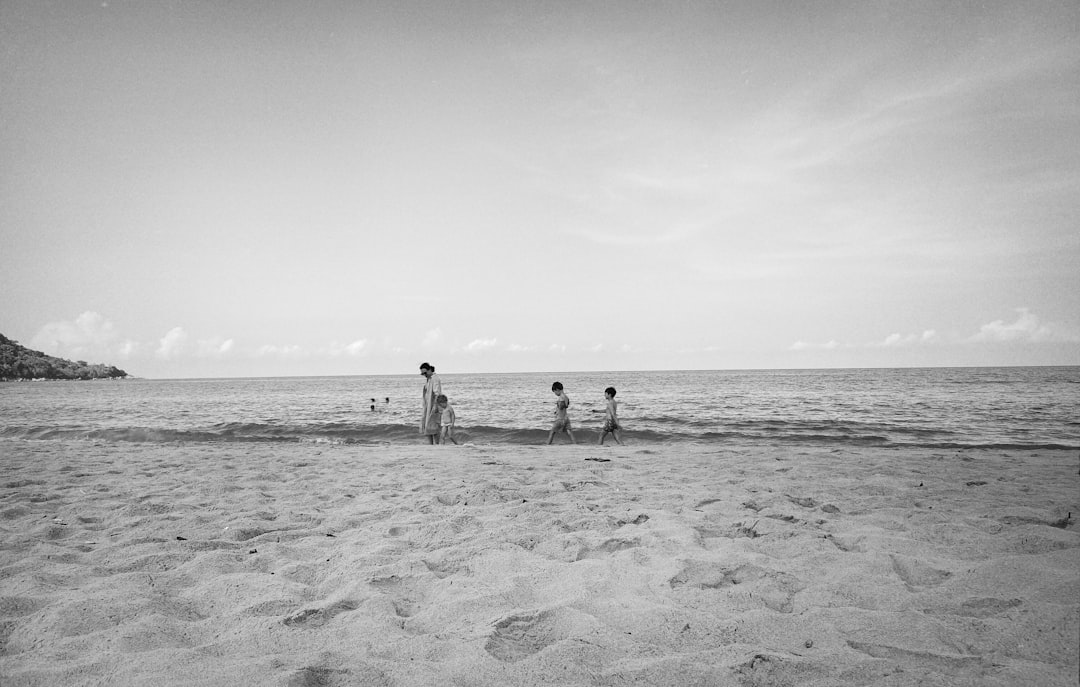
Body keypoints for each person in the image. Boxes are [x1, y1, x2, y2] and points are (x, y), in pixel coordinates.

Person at [419, 363, 442, 444]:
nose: (424, 375)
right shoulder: (429, 379)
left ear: (429, 370)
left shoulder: (435, 379)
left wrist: (435, 406)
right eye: (423, 373)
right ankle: (431, 445)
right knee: (427, 426)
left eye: (425, 373)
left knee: (434, 427)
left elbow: (437, 393)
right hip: (428, 406)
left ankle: (436, 444)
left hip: (433, 406)